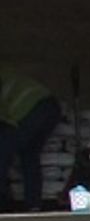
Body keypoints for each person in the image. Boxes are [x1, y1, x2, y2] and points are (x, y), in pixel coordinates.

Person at [0, 68, 63, 212]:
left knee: (2, 151)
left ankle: (3, 203)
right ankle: (33, 205)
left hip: (32, 109)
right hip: (50, 107)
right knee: (29, 155)